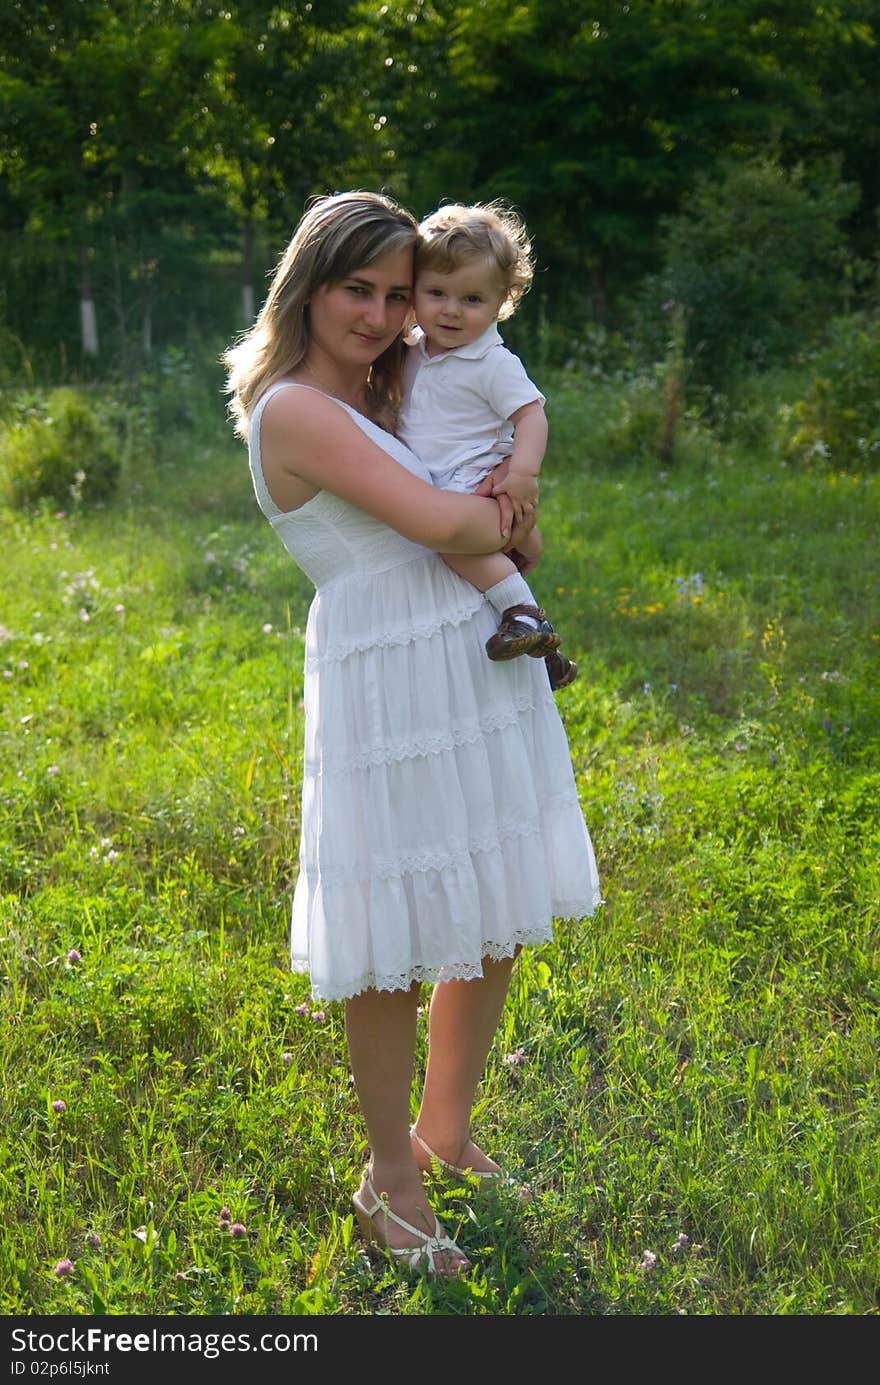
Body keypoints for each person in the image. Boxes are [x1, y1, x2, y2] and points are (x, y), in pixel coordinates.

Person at [222, 190, 601, 1277]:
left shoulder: (405, 382)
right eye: (359, 288)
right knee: (392, 938)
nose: (384, 313)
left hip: (471, 655)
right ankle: (389, 1171)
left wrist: (504, 502)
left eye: (399, 293)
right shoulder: (296, 406)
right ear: (308, 284)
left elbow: (475, 491)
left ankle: (447, 1125)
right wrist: (510, 508)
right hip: (386, 672)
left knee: (489, 906)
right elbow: (443, 520)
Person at [398, 200, 578, 691]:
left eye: (472, 299)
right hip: (437, 475)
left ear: (501, 303)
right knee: (472, 571)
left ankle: (524, 613)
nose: (451, 310)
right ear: (413, 293)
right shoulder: (412, 347)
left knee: (450, 542)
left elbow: (531, 415)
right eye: (436, 293)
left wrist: (522, 475)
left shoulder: (491, 361)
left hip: (471, 476)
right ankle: (548, 661)